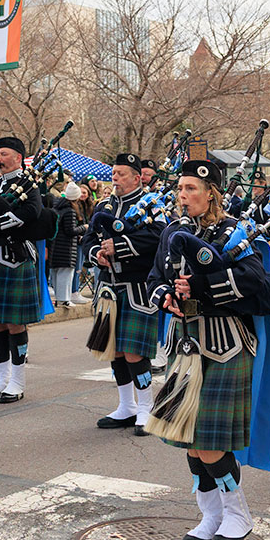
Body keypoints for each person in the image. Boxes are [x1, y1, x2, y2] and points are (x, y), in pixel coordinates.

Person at [146, 158, 270, 540]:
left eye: (191, 189)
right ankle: (210, 515)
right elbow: (155, 277)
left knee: (209, 438)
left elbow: (252, 279)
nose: (183, 195)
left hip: (226, 344)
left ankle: (238, 513)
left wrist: (200, 289)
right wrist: (167, 298)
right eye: (180, 188)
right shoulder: (173, 231)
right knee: (191, 441)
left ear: (212, 193)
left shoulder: (234, 232)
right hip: (184, 343)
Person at [86, 153, 166, 434]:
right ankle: (126, 406)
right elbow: (88, 238)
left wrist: (118, 248)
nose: (115, 178)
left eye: (121, 174)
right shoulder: (104, 205)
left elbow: (158, 236)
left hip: (137, 287)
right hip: (108, 287)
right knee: (115, 351)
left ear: (136, 177)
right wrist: (96, 253)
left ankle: (146, 408)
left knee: (134, 351)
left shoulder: (151, 204)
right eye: (114, 173)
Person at [0, 136, 44, 404]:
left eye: (4, 154)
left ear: (18, 157)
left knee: (15, 321)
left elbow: (31, 213)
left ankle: (17, 381)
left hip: (15, 256)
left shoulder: (28, 184)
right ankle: (2, 378)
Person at [48, 181, 86, 308]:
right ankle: (64, 299)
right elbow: (71, 231)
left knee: (57, 273)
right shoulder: (70, 211)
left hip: (55, 246)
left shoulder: (57, 208)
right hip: (67, 248)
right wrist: (84, 227)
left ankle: (60, 299)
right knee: (66, 273)